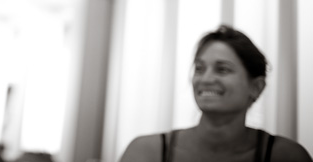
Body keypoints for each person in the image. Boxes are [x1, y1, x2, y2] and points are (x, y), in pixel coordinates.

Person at [119, 25, 313, 162]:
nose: (205, 79)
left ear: (256, 87)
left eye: (222, 70)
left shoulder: (286, 155)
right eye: (199, 68)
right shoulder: (146, 152)